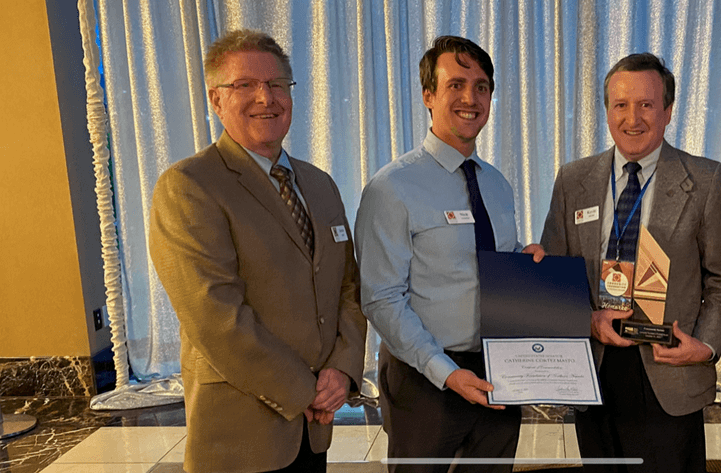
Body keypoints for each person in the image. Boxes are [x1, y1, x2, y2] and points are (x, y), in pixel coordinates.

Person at [149, 29, 366, 473]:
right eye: (244, 85)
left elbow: (349, 285)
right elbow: (215, 316)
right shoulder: (189, 186)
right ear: (216, 100)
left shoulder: (320, 184)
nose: (265, 98)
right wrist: (305, 390)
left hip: (316, 428)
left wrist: (342, 370)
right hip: (241, 435)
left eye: (277, 85)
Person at [355, 35, 543, 472]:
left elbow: (492, 258)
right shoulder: (391, 188)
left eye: (481, 87)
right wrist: (444, 371)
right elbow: (381, 298)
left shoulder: (496, 184)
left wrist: (525, 258)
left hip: (498, 372)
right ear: (428, 96)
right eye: (455, 84)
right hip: (425, 377)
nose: (470, 98)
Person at [540, 53, 721, 473]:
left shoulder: (705, 180)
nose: (633, 118)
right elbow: (556, 279)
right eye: (621, 105)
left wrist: (706, 346)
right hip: (595, 371)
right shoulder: (573, 180)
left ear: (667, 111)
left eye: (646, 105)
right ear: (607, 111)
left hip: (670, 371)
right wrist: (587, 319)